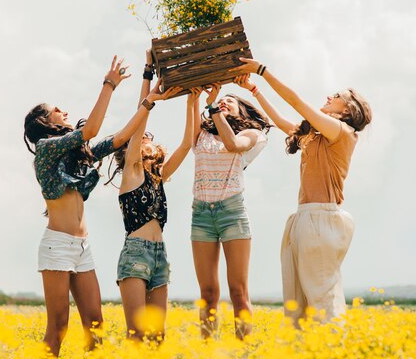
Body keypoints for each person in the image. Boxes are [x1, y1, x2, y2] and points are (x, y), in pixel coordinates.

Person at [23, 56, 172, 357]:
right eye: (56, 111)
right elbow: (90, 129)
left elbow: (120, 138)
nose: (64, 112)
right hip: (57, 246)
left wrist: (149, 101)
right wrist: (109, 85)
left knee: (95, 328)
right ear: (44, 122)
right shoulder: (45, 150)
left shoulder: (80, 153)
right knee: (59, 327)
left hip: (82, 247)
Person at [234, 58, 372, 328]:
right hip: (305, 218)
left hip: (321, 219)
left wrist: (262, 71)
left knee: (323, 300)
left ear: (347, 109)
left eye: (337, 96)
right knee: (299, 305)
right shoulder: (318, 135)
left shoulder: (342, 132)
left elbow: (297, 103)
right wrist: (254, 90)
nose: (329, 96)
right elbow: (282, 122)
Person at [106, 51, 199, 341]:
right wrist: (148, 75)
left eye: (149, 137)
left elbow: (187, 144)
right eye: (143, 138)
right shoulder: (131, 172)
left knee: (157, 338)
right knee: (136, 335)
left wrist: (192, 100)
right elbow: (138, 124)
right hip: (135, 253)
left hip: (160, 255)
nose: (147, 138)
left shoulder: (158, 176)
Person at [190, 82, 271, 339]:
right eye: (221, 100)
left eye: (230, 101)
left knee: (238, 290)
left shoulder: (253, 134)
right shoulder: (202, 134)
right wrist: (194, 98)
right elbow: (190, 123)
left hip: (232, 212)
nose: (224, 102)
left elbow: (234, 144)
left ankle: (243, 351)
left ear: (243, 111)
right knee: (208, 293)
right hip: (201, 213)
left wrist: (213, 106)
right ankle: (207, 351)